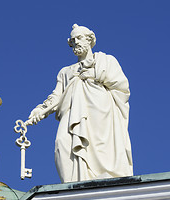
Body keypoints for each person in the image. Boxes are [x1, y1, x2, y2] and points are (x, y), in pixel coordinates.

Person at [27, 24, 133, 183]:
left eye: (79, 38)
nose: (76, 42)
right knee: (62, 142)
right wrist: (40, 110)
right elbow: (56, 97)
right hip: (72, 114)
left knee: (101, 147)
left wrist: (94, 74)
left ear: (89, 39)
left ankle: (105, 177)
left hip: (100, 110)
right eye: (73, 40)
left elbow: (122, 87)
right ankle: (74, 183)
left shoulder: (105, 61)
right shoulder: (66, 71)